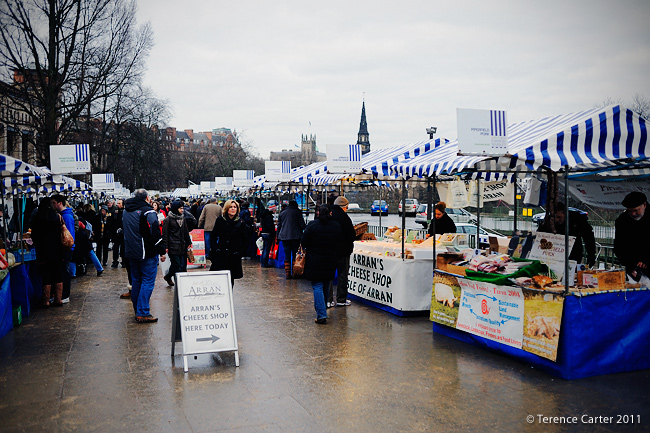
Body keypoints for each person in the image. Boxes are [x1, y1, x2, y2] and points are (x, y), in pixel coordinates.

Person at [123, 189, 166, 323]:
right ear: (147, 198)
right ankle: (143, 312)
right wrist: (162, 250)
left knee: (137, 281)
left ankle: (138, 310)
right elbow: (155, 232)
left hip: (131, 252)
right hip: (146, 252)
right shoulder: (148, 211)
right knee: (147, 281)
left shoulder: (126, 210)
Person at [301, 204, 342, 324]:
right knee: (325, 285)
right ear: (330, 213)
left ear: (318, 213)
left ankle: (321, 314)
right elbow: (339, 242)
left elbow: (304, 241)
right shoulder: (336, 226)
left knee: (317, 285)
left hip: (315, 260)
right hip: (330, 260)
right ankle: (322, 311)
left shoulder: (313, 225)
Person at [30, 198, 65, 307]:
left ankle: (46, 301)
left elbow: (34, 236)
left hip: (43, 252)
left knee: (46, 276)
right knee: (58, 275)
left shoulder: (38, 218)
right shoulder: (57, 217)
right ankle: (58, 300)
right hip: (57, 251)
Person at [538, 202, 596, 266]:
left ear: (565, 214)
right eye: (554, 217)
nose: (556, 220)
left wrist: (591, 254)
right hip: (554, 254)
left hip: (574, 253)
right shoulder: (548, 220)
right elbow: (539, 235)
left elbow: (588, 237)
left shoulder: (577, 218)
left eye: (559, 217)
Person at [209, 199, 249, 288]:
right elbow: (213, 235)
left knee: (230, 279)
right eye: (231, 207)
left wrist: (240, 252)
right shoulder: (220, 220)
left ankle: (228, 299)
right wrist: (215, 248)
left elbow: (245, 240)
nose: (233, 209)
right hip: (221, 253)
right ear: (226, 208)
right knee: (218, 278)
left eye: (235, 207)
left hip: (233, 255)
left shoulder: (240, 222)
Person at [614, 192, 650, 282]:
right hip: (633, 269)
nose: (633, 214)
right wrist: (630, 263)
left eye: (636, 210)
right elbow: (619, 246)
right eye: (630, 211)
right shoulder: (622, 220)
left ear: (644, 205)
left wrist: (646, 259)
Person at [328, 196, 356, 308]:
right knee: (342, 275)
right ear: (344, 207)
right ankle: (341, 299)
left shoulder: (328, 215)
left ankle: (328, 300)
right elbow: (351, 235)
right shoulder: (345, 218)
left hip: (329, 251)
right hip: (343, 251)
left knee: (328, 276)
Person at [51, 195, 76, 304]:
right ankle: (61, 295)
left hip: (66, 249)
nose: (53, 205)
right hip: (65, 248)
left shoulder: (66, 217)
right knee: (62, 271)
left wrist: (65, 248)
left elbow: (69, 236)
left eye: (54, 202)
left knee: (65, 272)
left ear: (60, 203)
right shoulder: (64, 215)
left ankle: (65, 295)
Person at [162, 200, 192, 286]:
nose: (182, 210)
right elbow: (165, 234)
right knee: (176, 265)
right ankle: (177, 283)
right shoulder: (168, 219)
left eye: (182, 208)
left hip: (182, 245)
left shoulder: (183, 218)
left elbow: (185, 231)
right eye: (180, 208)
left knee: (181, 265)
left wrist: (189, 242)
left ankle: (168, 276)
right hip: (172, 246)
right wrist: (166, 246)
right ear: (176, 208)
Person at [276, 200, 306, 279]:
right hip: (295, 237)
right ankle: (295, 272)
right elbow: (302, 225)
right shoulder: (297, 212)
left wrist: (278, 237)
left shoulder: (282, 213)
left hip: (284, 237)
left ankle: (288, 273)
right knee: (295, 255)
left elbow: (279, 226)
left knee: (287, 255)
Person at [110, 198, 125, 268]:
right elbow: (112, 223)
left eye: (119, 203)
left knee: (123, 248)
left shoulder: (125, 213)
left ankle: (124, 260)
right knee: (115, 248)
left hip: (123, 233)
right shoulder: (115, 213)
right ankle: (115, 260)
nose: (118, 205)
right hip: (116, 234)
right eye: (117, 203)